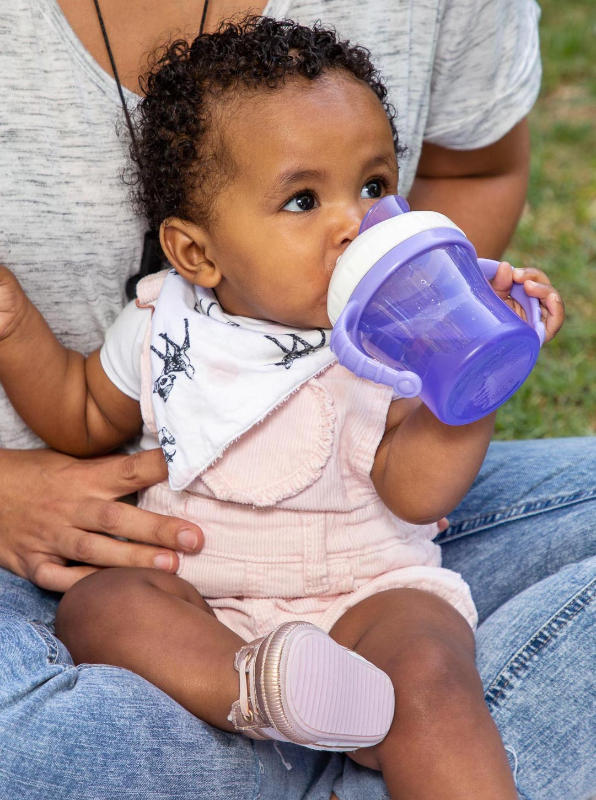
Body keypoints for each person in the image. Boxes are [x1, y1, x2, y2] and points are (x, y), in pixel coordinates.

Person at [0, 1, 594, 799]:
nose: (356, 223)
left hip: (367, 593)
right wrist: (15, 329)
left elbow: (414, 489)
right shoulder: (161, 323)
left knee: (431, 673)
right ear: (196, 252)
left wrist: (471, 382)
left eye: (375, 184)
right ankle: (262, 696)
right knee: (102, 606)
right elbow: (77, 413)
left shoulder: (386, 333)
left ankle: (367, 749)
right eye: (304, 201)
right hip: (204, 609)